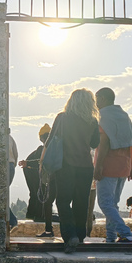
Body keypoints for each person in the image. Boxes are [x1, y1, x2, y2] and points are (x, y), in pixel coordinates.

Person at [43, 89, 101, 253]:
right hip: (85, 167)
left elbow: (50, 140)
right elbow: (95, 143)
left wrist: (43, 163)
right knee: (81, 202)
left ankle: (70, 237)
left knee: (63, 201)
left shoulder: (62, 118)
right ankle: (80, 236)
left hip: (66, 166)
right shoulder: (92, 121)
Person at [93, 87, 132, 243]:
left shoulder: (103, 116)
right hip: (124, 166)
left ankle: (125, 233)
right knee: (113, 204)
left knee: (105, 204)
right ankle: (111, 237)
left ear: (103, 99)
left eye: (96, 98)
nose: (95, 102)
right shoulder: (123, 115)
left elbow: (103, 142)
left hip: (108, 165)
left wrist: (98, 167)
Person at [18, 124, 57, 237]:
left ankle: (39, 217)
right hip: (39, 174)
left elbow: (42, 161)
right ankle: (38, 215)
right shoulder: (44, 149)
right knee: (43, 197)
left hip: (42, 174)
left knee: (43, 198)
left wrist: (28, 163)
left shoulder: (44, 149)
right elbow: (41, 161)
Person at [8, 129, 18, 228]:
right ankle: (12, 220)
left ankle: (12, 220)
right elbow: (16, 154)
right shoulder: (11, 138)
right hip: (11, 165)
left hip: (5, 165)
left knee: (2, 196)